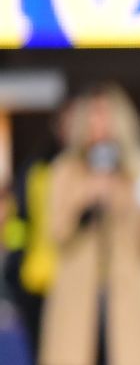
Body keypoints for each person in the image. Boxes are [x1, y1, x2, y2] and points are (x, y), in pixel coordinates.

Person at [41, 84, 140, 365]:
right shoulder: (65, 171)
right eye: (93, 116)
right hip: (78, 293)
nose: (99, 124)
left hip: (128, 292)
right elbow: (56, 233)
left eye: (106, 116)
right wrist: (87, 198)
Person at [2, 100, 73, 364]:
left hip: (77, 281)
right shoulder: (36, 169)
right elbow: (20, 221)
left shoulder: (97, 170)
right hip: (38, 279)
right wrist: (16, 264)